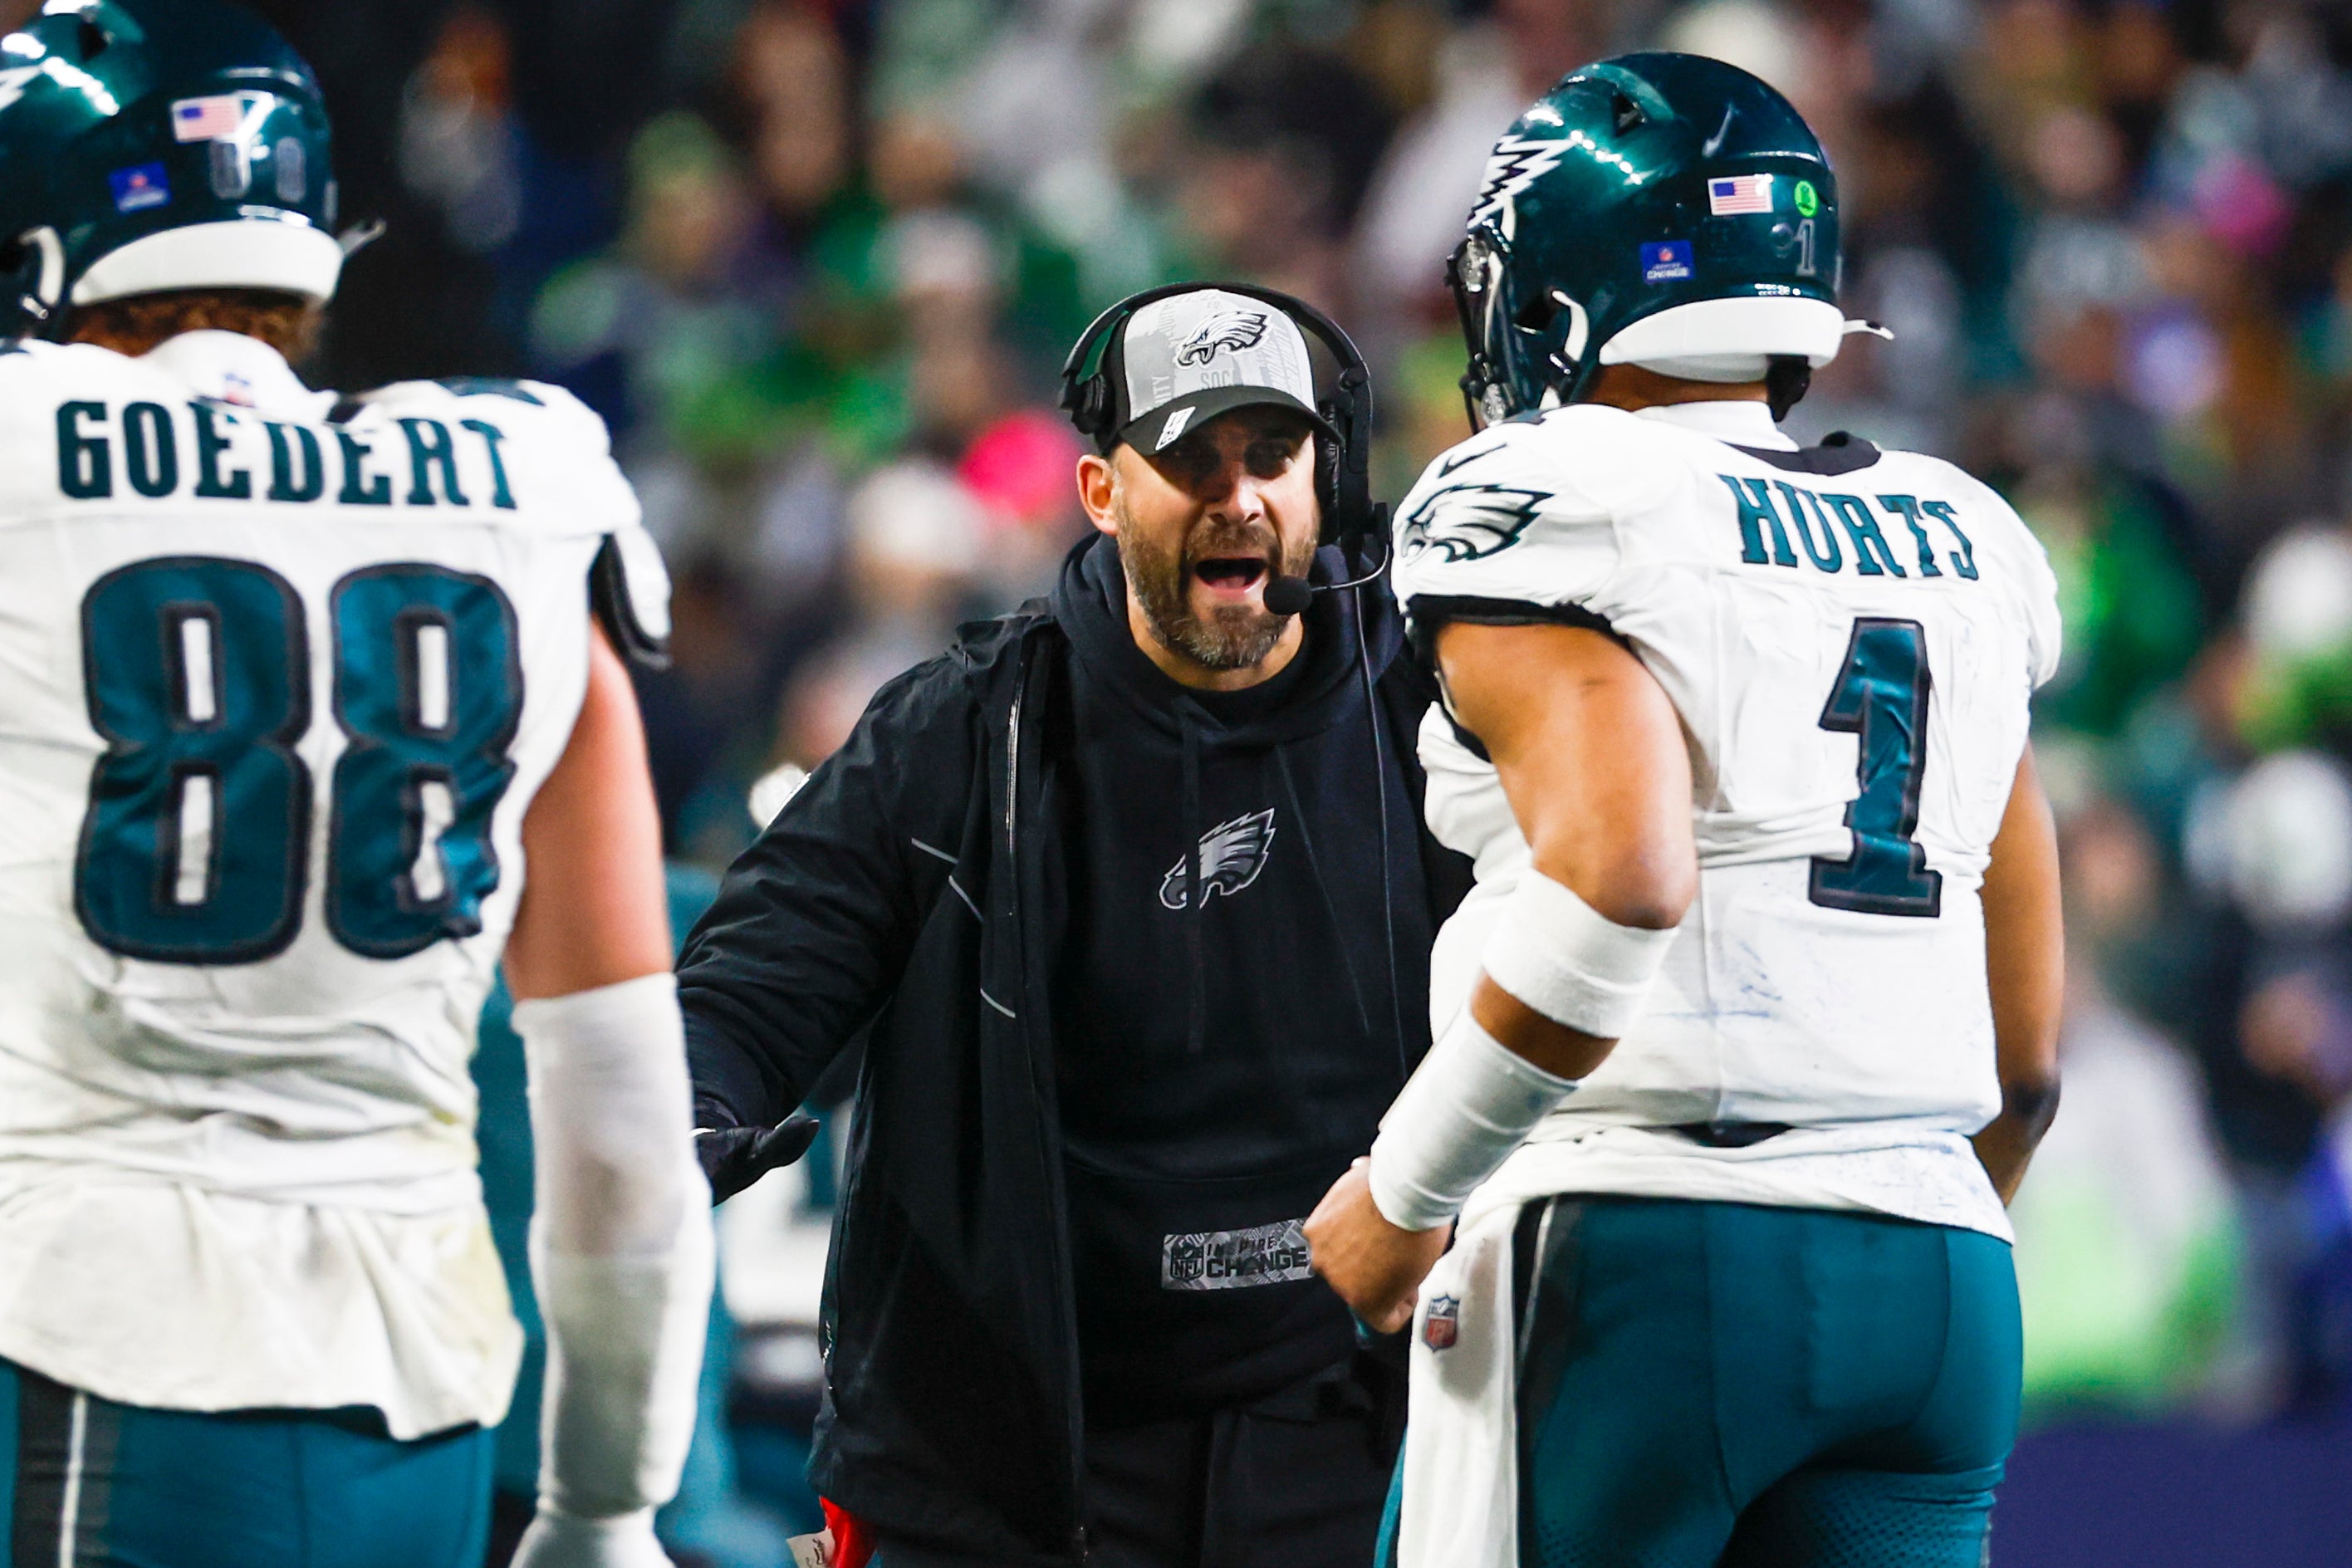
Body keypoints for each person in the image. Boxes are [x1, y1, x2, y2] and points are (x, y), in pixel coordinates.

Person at [1303, 54, 2066, 1568]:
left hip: (1648, 1241)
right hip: (1943, 1274)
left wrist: (1404, 1189)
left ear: (1555, 286)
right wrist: (1876, 1199)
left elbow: (1621, 878)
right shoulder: (1967, 533)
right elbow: (2026, 1058)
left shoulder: (1542, 487)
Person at [0, 5, 713, 1562]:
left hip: (93, 1351)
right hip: (424, 1399)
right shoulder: (523, 492)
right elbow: (619, 1104)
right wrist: (607, 1502)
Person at [679, 284, 1470, 1568]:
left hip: (1345, 1442)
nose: (1240, 497)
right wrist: (678, 1109)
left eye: (1273, 455)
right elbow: (757, 982)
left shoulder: (1432, 721)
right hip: (1007, 1469)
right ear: (1102, 495)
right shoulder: (962, 728)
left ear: (1329, 482)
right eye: (1190, 460)